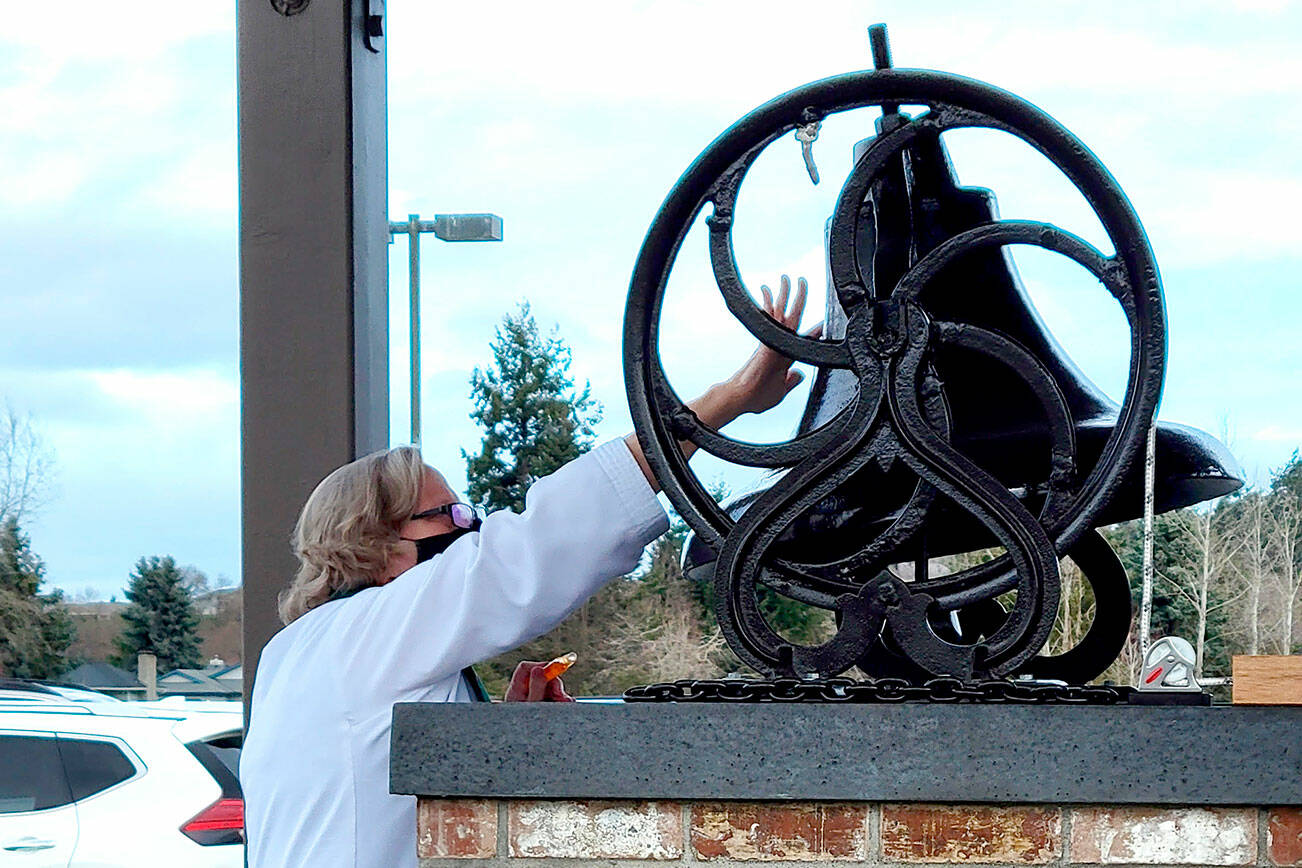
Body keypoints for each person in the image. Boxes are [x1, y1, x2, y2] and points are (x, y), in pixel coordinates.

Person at [241, 277, 817, 867]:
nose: (472, 529)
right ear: (379, 543)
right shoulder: (367, 636)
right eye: (452, 514)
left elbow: (388, 800)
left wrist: (503, 743)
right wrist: (729, 400)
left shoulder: (301, 652)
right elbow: (548, 537)